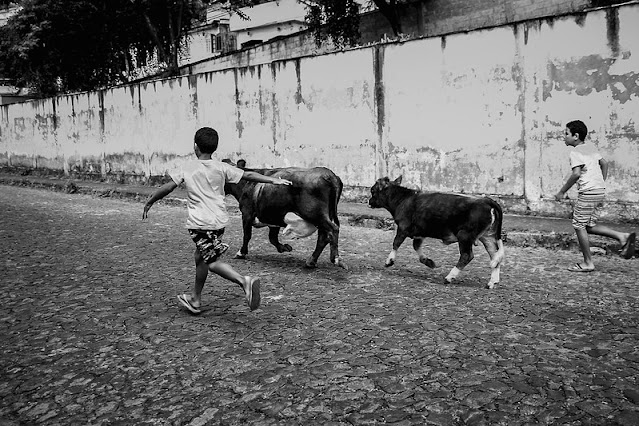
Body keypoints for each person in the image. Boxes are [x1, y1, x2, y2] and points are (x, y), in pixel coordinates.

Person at [142, 127, 292, 313]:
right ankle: (195, 299)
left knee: (211, 261)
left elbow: (168, 187)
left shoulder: (188, 167)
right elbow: (248, 175)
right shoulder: (222, 167)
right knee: (200, 257)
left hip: (200, 225)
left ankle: (244, 281)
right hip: (218, 222)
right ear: (214, 148)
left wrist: (151, 200)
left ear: (195, 147)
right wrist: (273, 181)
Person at [555, 120, 636, 272]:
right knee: (589, 226)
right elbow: (604, 164)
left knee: (578, 225)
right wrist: (600, 182)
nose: (563, 137)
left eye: (566, 133)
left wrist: (562, 191)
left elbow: (576, 174)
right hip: (599, 191)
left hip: (588, 192)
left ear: (576, 136)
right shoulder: (591, 147)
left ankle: (588, 263)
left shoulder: (575, 152)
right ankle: (622, 237)